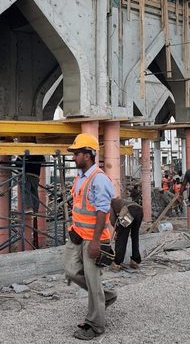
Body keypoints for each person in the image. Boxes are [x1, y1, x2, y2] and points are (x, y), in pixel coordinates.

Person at [63, 133, 116, 341]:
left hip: (94, 239)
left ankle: (95, 325)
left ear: (88, 155)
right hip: (77, 236)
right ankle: (106, 296)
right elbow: (80, 206)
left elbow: (102, 212)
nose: (74, 157)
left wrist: (95, 242)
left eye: (77, 153)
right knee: (71, 271)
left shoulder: (99, 179)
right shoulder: (80, 177)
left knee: (93, 282)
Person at [110, 197, 143, 269]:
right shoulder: (120, 200)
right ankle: (135, 260)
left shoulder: (110, 204)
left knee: (121, 238)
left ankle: (117, 262)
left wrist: (117, 232)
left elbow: (112, 220)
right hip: (139, 210)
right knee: (135, 235)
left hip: (129, 210)